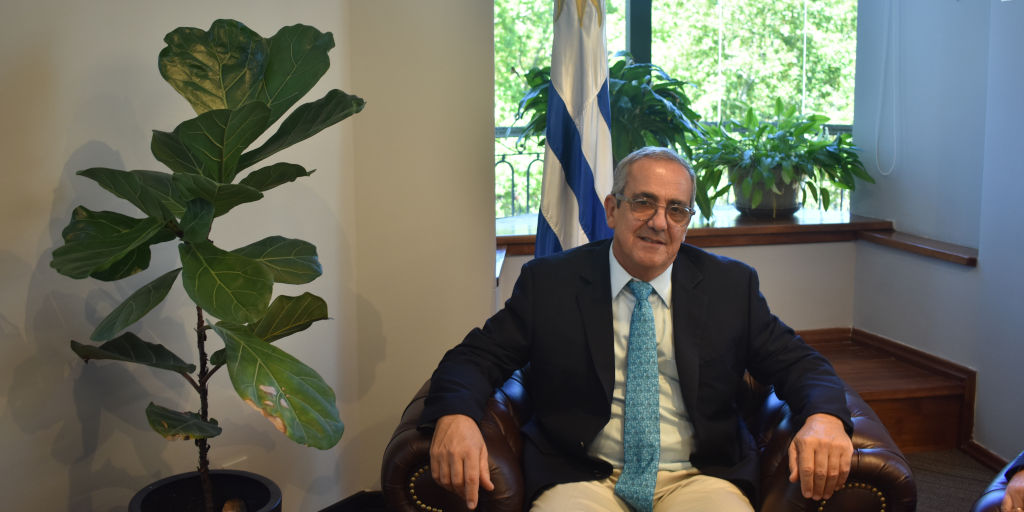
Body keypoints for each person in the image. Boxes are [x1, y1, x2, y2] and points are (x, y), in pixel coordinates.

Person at [421, 146, 853, 511]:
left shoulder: (730, 287)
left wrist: (825, 418)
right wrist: (455, 416)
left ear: (687, 222)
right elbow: (476, 357)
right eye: (644, 202)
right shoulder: (551, 284)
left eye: (676, 209)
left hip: (699, 477)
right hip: (582, 478)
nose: (660, 222)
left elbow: (799, 364)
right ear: (612, 209)